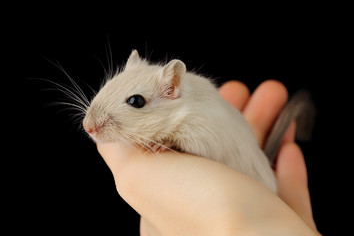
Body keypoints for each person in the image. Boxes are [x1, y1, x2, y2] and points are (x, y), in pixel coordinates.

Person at [97, 80, 322, 236]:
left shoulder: (196, 117)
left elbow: (208, 143)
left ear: (172, 89)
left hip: (258, 184)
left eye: (135, 102)